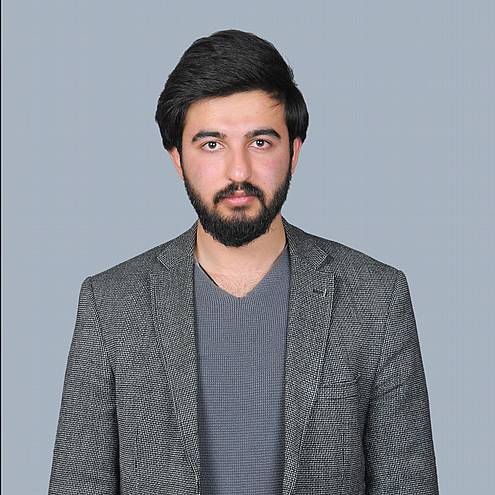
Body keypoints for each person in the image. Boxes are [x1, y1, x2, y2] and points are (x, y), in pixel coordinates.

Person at [48, 29, 439, 495]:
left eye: (260, 143)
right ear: (177, 159)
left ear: (294, 152)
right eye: (211, 144)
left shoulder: (377, 299)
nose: (238, 171)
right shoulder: (111, 305)